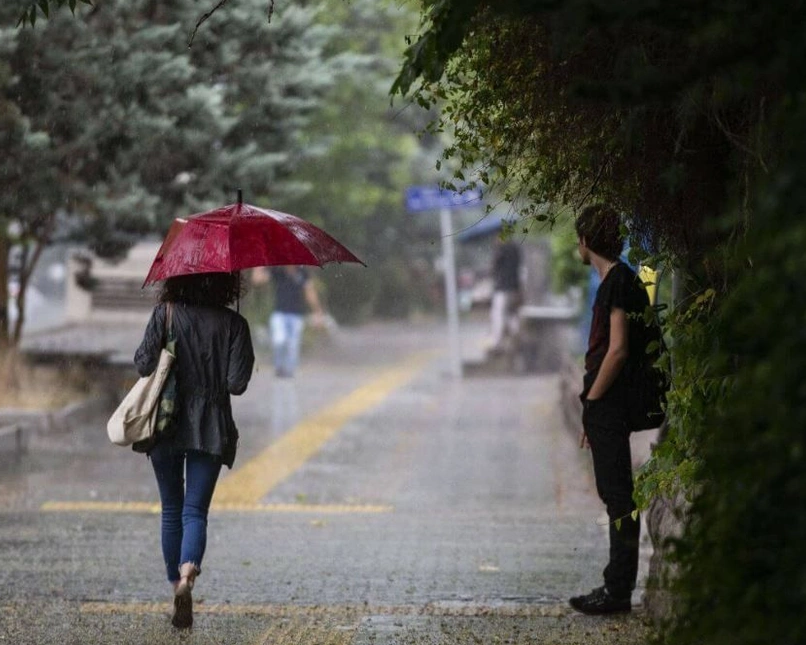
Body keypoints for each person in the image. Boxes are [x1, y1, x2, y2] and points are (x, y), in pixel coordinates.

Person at [134, 272, 254, 629]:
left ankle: (175, 586)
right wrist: (235, 338)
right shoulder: (234, 323)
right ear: (225, 284)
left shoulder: (165, 313)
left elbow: (143, 364)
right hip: (211, 425)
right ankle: (189, 573)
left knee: (171, 508)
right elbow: (237, 384)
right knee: (195, 511)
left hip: (165, 421)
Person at [569, 204, 651, 615]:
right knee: (615, 495)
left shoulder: (617, 282)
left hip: (610, 402)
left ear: (586, 241)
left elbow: (616, 350)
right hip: (607, 406)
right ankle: (616, 586)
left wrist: (594, 399)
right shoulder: (619, 281)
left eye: (578, 238)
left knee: (619, 498)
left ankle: (617, 590)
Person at [268, 266, 324, 378]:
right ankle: (279, 366)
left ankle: (289, 370)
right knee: (279, 340)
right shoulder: (278, 271)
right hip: (279, 313)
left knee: (293, 345)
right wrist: (260, 266)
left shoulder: (303, 273)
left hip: (296, 314)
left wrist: (318, 311)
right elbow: (257, 280)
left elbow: (309, 292)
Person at [489, 237, 523, 352]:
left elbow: (494, 267)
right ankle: (516, 336)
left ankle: (498, 343)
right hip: (514, 287)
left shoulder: (501, 249)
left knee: (498, 314)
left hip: (502, 287)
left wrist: (496, 248)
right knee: (511, 313)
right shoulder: (516, 248)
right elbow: (519, 267)